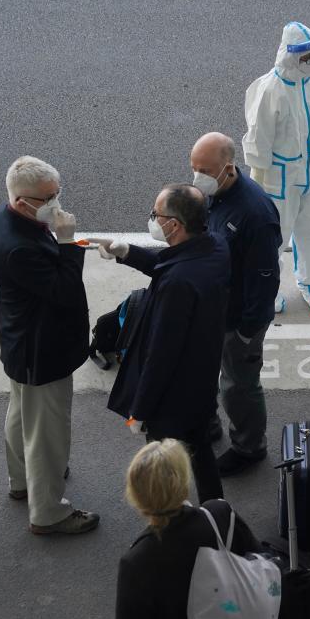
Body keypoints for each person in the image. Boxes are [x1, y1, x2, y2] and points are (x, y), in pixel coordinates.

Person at [0, 156, 99, 535]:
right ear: (22, 202)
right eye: (48, 197)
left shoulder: (3, 223)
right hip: (43, 351)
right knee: (48, 433)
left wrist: (74, 242)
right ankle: (49, 512)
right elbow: (64, 291)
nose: (57, 203)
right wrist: (69, 243)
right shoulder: (21, 247)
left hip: (21, 347)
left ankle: (22, 481)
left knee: (21, 416)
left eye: (57, 192)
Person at [101, 184, 230, 503]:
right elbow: (171, 262)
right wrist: (127, 252)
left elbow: (161, 354)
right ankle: (217, 512)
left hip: (171, 399)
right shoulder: (214, 246)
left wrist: (139, 411)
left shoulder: (177, 285)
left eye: (156, 214)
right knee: (200, 450)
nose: (153, 218)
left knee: (164, 469)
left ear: (174, 225)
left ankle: (172, 525)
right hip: (201, 380)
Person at [189, 132, 282, 477]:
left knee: (238, 386)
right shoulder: (213, 194)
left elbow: (265, 278)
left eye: (204, 170)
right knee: (206, 372)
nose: (196, 177)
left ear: (228, 169)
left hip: (238, 320)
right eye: (193, 167)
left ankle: (248, 446)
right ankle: (209, 424)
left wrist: (247, 332)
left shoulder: (254, 214)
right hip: (214, 310)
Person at [243, 20, 310, 314]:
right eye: (306, 56)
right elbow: (258, 135)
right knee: (274, 235)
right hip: (278, 174)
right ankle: (264, 289)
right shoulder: (271, 89)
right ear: (290, 55)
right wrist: (257, 176)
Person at [115, 439, 262, 619]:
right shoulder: (219, 515)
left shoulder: (136, 561)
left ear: (136, 496)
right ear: (183, 481)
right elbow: (258, 561)